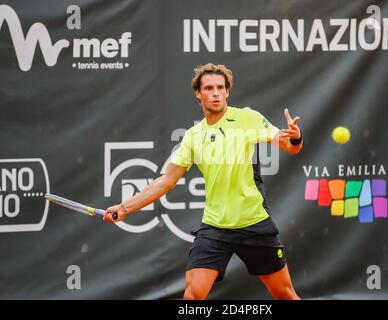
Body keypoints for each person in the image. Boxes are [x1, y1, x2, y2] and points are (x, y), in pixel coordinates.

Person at [104, 63, 303, 300]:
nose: (216, 92)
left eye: (221, 87)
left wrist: (295, 136)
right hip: (215, 226)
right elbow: (166, 181)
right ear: (198, 94)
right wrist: (125, 207)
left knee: (284, 294)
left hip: (253, 221)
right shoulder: (192, 137)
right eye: (209, 88)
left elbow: (289, 146)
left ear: (227, 91)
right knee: (193, 296)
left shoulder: (247, 118)